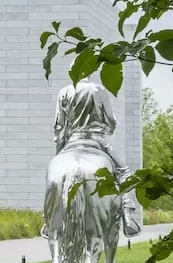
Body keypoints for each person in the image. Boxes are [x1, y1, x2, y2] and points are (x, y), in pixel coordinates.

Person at [52, 79, 143, 236]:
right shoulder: (99, 90)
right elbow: (110, 119)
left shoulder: (64, 92)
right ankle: (127, 216)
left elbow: (59, 125)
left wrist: (59, 148)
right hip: (97, 140)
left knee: (54, 174)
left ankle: (51, 218)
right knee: (125, 172)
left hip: (72, 140)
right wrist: (110, 128)